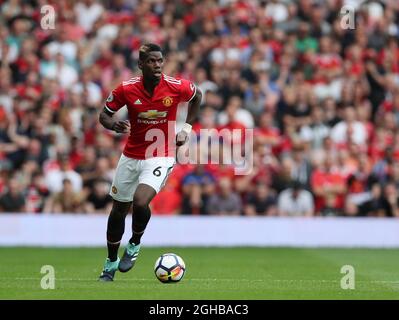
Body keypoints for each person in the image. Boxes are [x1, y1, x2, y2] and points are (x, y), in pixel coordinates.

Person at [97, 43, 202, 281]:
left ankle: (134, 244)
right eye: (152, 61)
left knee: (141, 201)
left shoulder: (175, 86)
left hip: (161, 154)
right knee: (118, 211)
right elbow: (104, 114)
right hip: (131, 156)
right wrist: (113, 125)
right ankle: (110, 262)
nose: (157, 65)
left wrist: (186, 128)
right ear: (141, 65)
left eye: (160, 61)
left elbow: (198, 96)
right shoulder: (126, 89)